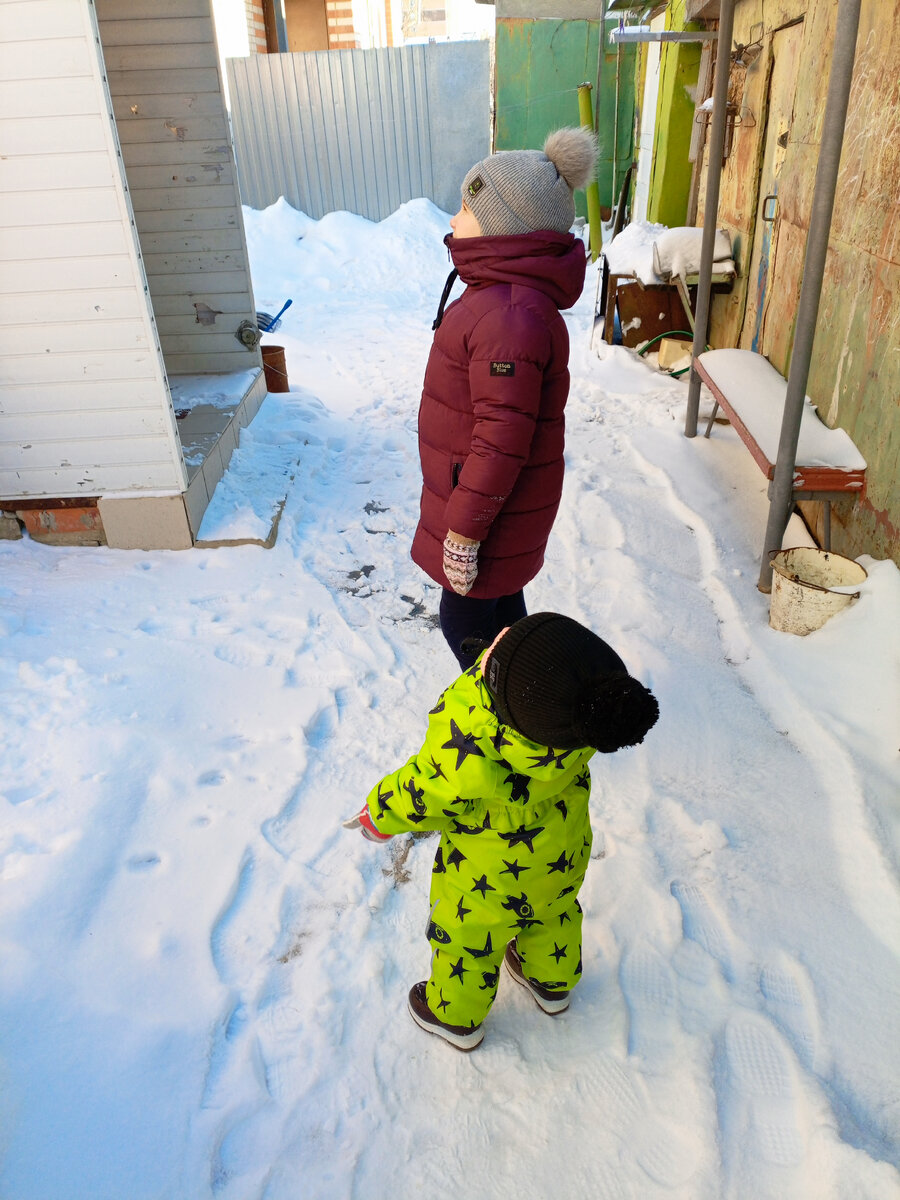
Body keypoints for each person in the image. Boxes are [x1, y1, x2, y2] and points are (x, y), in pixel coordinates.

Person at [344, 613, 659, 1051]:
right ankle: (551, 983)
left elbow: (425, 787)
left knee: (468, 940)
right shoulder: (578, 733)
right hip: (560, 857)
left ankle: (453, 1016)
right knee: (555, 914)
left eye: (499, 657)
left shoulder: (474, 743)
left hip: (483, 879)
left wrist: (379, 815)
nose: (497, 640)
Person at [412, 128, 598, 669]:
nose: (453, 220)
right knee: (501, 616)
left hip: (488, 515)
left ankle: (504, 714)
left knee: (467, 623)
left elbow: (501, 441)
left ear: (502, 225)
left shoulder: (508, 316)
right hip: (495, 509)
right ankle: (520, 705)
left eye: (465, 208)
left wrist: (464, 532)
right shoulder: (501, 298)